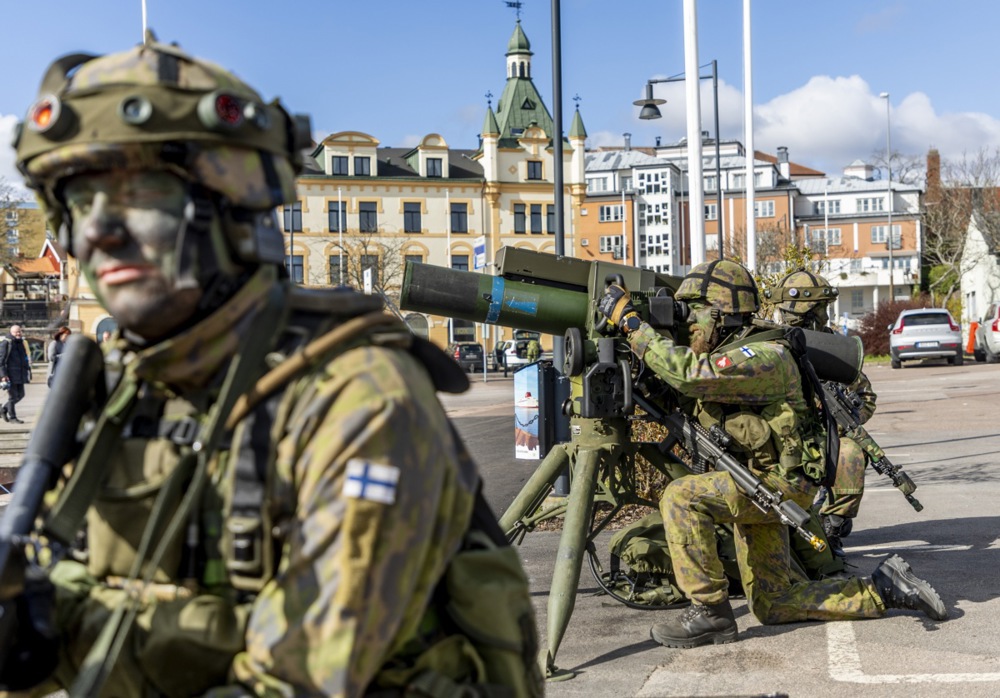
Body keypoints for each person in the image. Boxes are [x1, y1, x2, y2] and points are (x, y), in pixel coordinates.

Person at [3, 34, 541, 697]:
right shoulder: (122, 386)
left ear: (230, 209)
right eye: (82, 203)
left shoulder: (357, 394)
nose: (99, 233)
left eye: (140, 198)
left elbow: (299, 677)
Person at [598, 259, 947, 649]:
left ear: (721, 315)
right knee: (773, 602)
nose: (688, 324)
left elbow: (691, 375)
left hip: (777, 484)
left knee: (682, 497)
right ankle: (885, 588)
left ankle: (710, 612)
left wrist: (631, 324)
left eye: (694, 314)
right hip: (758, 481)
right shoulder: (733, 351)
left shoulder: (764, 356)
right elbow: (685, 389)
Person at [766, 269, 875, 557]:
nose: (824, 317)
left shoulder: (831, 348)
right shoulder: (767, 343)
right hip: (774, 438)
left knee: (850, 454)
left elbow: (866, 398)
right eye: (817, 310)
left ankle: (831, 526)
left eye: (824, 309)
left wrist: (840, 421)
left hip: (821, 438)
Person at [0, 324, 31, 424]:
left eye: (19, 331)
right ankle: (12, 417)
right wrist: (3, 375)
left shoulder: (21, 342)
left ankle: (3, 409)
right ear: (11, 332)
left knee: (21, 395)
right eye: (16, 332)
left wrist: (27, 370)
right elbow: (1, 361)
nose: (18, 333)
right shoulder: (6, 343)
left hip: (20, 374)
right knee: (13, 397)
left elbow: (24, 358)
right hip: (10, 374)